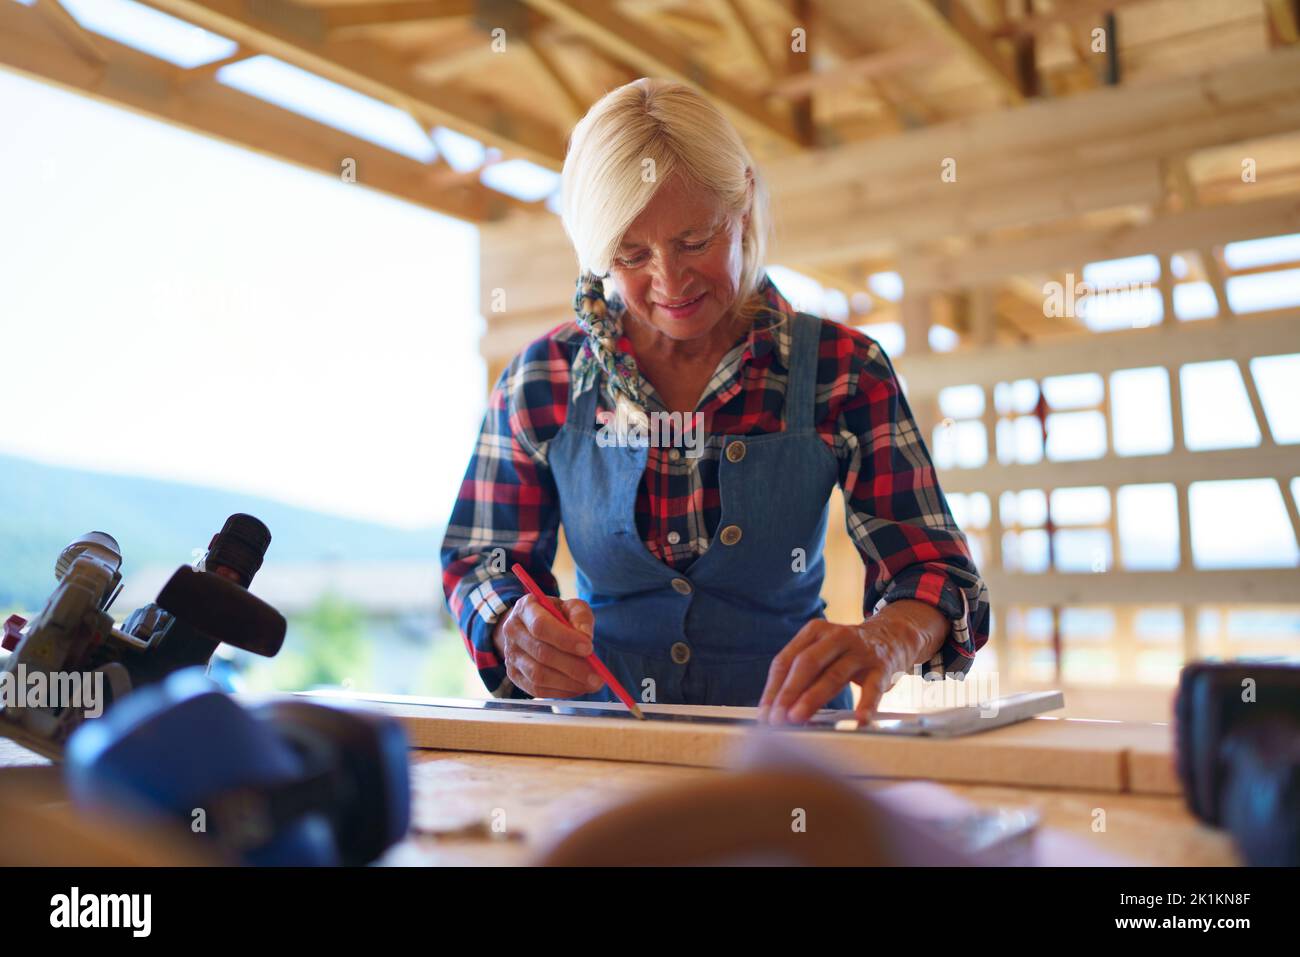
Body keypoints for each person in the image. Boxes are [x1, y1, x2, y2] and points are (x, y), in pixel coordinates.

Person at [441, 77, 989, 724]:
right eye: (631, 253)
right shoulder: (542, 381)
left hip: (790, 748)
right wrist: (510, 626)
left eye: (696, 240)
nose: (670, 282)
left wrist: (883, 640)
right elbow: (481, 560)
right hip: (603, 748)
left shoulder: (843, 372)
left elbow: (938, 575)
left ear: (744, 204)